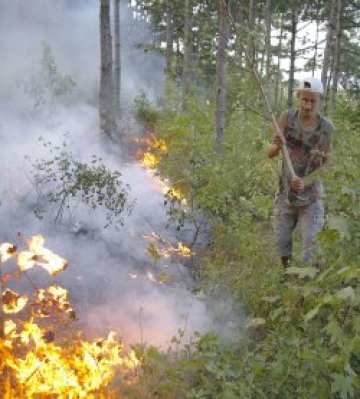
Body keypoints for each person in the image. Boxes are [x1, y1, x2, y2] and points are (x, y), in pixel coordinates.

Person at [266, 77, 335, 267]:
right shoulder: (287, 118)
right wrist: (276, 146)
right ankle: (285, 276)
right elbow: (270, 152)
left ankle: (311, 287)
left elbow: (328, 163)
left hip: (312, 198)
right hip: (286, 194)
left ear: (320, 101)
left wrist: (307, 181)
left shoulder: (326, 128)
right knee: (281, 243)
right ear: (298, 98)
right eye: (304, 99)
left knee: (311, 248)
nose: (308, 105)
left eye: (313, 101)